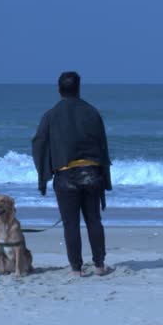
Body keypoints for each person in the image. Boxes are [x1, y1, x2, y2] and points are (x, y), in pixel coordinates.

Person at [31, 71, 112, 276]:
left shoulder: (51, 114)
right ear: (78, 89)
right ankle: (99, 265)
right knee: (94, 220)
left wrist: (43, 175)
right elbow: (103, 146)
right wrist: (105, 177)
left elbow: (39, 143)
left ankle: (76, 269)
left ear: (59, 90)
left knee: (71, 224)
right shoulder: (92, 112)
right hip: (92, 173)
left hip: (65, 175)